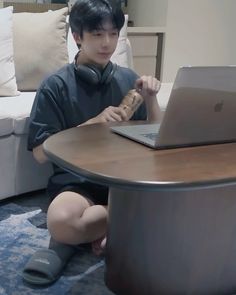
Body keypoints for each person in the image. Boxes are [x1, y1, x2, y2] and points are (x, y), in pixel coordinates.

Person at [22, 0, 162, 286]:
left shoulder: (128, 79)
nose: (107, 43)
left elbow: (158, 137)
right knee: (61, 222)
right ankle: (122, 225)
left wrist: (151, 98)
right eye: (97, 34)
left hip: (124, 182)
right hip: (76, 183)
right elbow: (39, 153)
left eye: (113, 34)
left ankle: (109, 226)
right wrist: (92, 124)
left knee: (182, 203)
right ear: (77, 37)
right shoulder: (54, 86)